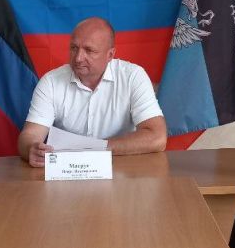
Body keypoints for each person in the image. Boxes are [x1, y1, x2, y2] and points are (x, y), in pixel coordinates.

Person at [17, 17, 167, 167]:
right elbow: (30, 135)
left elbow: (157, 137)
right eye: (74, 48)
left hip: (123, 169)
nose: (78, 58)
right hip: (69, 172)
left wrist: (97, 149)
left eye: (89, 50)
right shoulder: (51, 82)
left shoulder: (132, 77)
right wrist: (31, 149)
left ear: (110, 55)